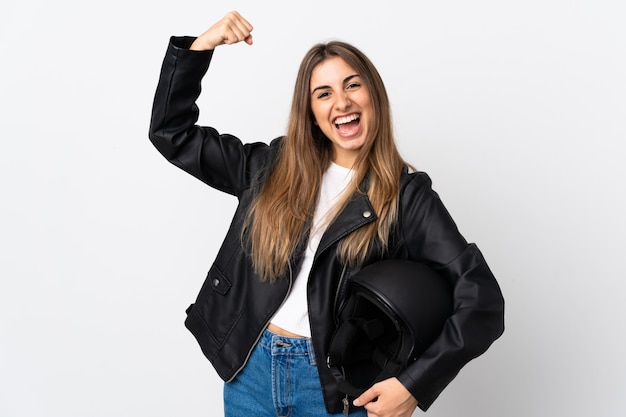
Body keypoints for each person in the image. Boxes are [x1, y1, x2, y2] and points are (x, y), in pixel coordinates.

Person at [149, 10, 504, 417]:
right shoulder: (270, 167)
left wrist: (413, 385)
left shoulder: (407, 197)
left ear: (374, 95)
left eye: (353, 85)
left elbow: (483, 301)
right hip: (250, 376)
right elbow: (171, 133)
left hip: (334, 394)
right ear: (312, 112)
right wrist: (198, 49)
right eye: (324, 93)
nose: (342, 102)